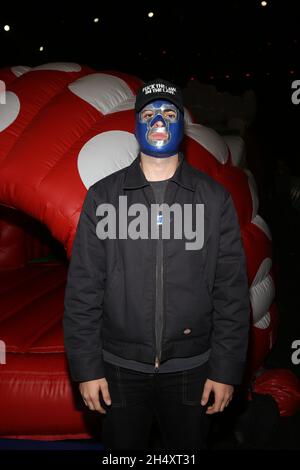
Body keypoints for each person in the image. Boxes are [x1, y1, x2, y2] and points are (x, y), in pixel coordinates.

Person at [63, 78, 250, 450]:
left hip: (192, 369)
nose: (158, 122)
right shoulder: (104, 197)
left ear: (182, 124)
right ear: (136, 124)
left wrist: (226, 370)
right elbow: (83, 288)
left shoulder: (213, 199)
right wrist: (86, 368)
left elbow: (231, 290)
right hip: (119, 368)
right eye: (149, 114)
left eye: (168, 113)